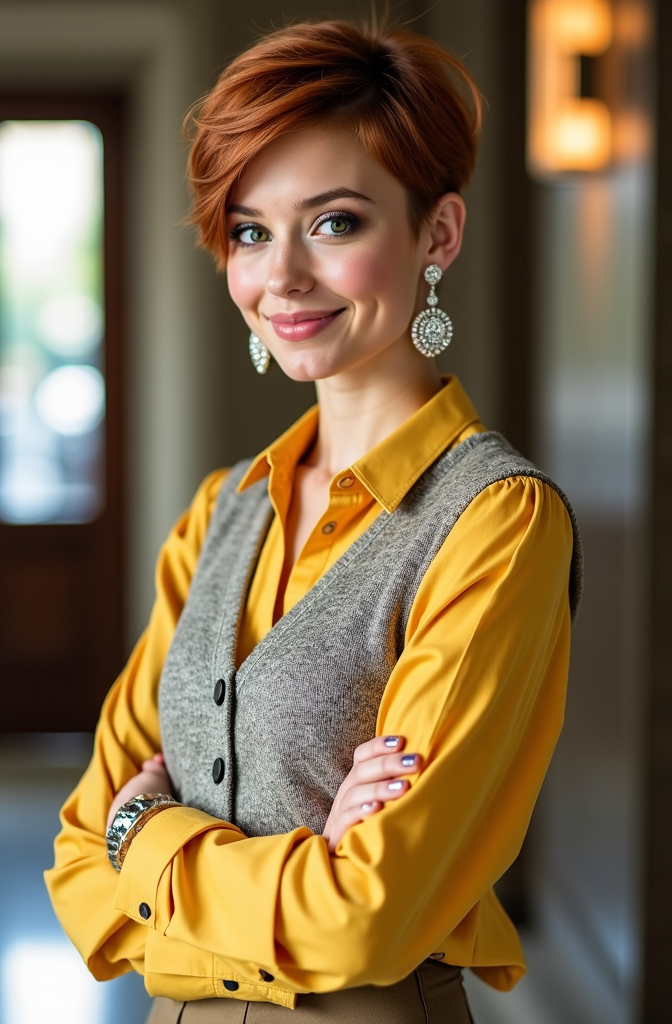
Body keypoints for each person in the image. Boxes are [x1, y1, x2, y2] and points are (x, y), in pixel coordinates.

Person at [45, 18, 581, 1024]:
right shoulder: (221, 507)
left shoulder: (496, 522)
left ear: (439, 234)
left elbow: (364, 922)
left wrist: (147, 838)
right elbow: (78, 873)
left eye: (334, 223)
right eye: (250, 230)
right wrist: (301, 867)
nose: (280, 276)